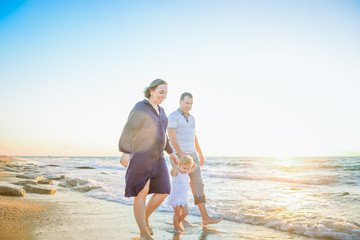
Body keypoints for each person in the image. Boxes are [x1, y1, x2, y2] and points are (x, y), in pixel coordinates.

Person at [119, 79, 179, 240]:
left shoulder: (162, 111)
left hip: (158, 157)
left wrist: (171, 152)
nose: (164, 95)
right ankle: (143, 232)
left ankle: (144, 218)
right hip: (141, 155)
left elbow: (162, 134)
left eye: (166, 93)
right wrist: (125, 151)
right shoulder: (141, 106)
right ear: (151, 91)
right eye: (161, 92)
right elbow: (130, 128)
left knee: (164, 190)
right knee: (142, 192)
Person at [167, 92, 222, 226]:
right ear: (180, 102)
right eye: (187, 103)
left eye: (191, 103)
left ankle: (205, 217)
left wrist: (200, 153)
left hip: (192, 155)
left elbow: (194, 136)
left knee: (197, 184)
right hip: (179, 155)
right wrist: (181, 154)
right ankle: (180, 217)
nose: (189, 106)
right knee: (181, 184)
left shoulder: (192, 118)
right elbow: (171, 137)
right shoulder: (173, 116)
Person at [166, 154, 198, 233]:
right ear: (180, 165)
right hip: (176, 196)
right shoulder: (177, 173)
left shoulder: (186, 173)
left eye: (187, 169)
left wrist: (189, 159)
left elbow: (195, 166)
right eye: (184, 168)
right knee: (177, 213)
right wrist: (177, 164)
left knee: (185, 212)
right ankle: (176, 227)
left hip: (183, 197)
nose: (185, 170)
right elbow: (172, 173)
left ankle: (178, 223)